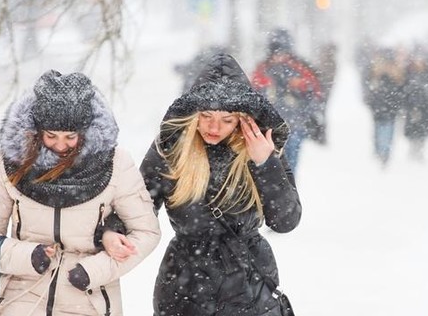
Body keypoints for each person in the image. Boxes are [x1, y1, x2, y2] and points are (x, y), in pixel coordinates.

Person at [103, 53, 302, 315]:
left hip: (249, 284)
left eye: (227, 119)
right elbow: (140, 202)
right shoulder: (171, 148)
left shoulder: (263, 149)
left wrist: (264, 163)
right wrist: (112, 231)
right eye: (206, 115)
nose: (214, 127)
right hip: (185, 284)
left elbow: (285, 221)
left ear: (244, 119)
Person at [0, 70, 161, 316]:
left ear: (86, 131)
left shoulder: (116, 163)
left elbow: (146, 231)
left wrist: (94, 271)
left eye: (70, 137)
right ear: (37, 131)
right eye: (51, 136)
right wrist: (29, 257)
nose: (60, 146)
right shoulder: (10, 162)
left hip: (90, 300)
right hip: (22, 296)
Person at [252, 28, 324, 175]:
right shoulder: (263, 69)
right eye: (276, 51)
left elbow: (314, 93)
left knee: (289, 167)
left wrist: (298, 96)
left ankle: (287, 194)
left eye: (282, 51)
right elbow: (253, 93)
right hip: (269, 129)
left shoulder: (299, 68)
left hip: (293, 127)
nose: (279, 56)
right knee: (270, 170)